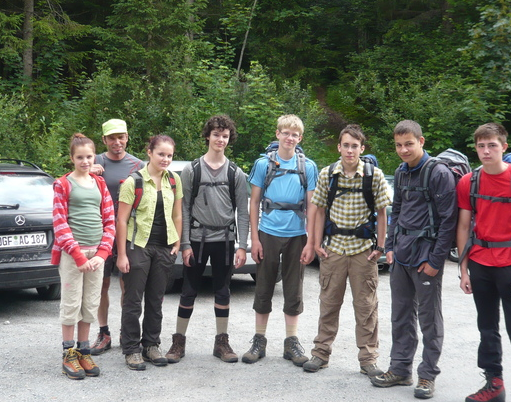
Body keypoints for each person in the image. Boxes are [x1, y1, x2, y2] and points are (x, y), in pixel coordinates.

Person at [456, 123, 511, 402]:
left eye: (492, 145)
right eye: (481, 146)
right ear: (475, 148)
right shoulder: (468, 182)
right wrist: (463, 268)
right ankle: (494, 384)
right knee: (487, 327)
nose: (486, 151)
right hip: (481, 264)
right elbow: (463, 226)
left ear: (503, 147)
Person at [371, 120, 457, 399]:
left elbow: (448, 221)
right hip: (402, 256)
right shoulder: (400, 171)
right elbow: (397, 211)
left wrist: (435, 260)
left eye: (409, 143)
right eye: (398, 145)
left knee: (430, 319)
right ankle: (400, 369)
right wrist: (391, 247)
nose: (403, 149)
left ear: (421, 141)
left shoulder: (438, 173)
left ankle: (427, 376)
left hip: (426, 258)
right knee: (401, 315)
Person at [303, 125, 391, 377]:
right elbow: (318, 209)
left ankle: (368, 359)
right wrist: (317, 243)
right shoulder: (327, 174)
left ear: (362, 149)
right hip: (333, 250)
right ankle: (320, 353)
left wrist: (381, 247)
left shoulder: (374, 175)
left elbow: (382, 212)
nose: (350, 150)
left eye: (355, 146)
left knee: (366, 307)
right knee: (329, 303)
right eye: (345, 145)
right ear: (339, 147)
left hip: (363, 251)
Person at [164, 115, 250, 364]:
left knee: (223, 291)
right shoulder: (192, 169)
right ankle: (178, 341)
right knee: (188, 291)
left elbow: (242, 212)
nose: (220, 140)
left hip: (224, 239)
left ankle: (221, 342)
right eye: (216, 134)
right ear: (207, 136)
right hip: (198, 239)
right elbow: (184, 208)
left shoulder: (235, 172)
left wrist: (242, 245)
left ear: (229, 139)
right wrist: (186, 244)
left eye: (224, 136)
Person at [242, 114, 318, 367]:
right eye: (285, 133)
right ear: (277, 134)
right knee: (263, 285)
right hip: (268, 232)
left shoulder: (308, 167)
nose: (289, 138)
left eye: (294, 134)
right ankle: (259, 340)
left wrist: (310, 242)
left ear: (300, 138)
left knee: (294, 288)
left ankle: (291, 342)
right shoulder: (263, 164)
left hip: (297, 235)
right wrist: (255, 238)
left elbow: (312, 206)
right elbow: (253, 202)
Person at [51, 133, 115, 380]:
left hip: (96, 255)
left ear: (94, 157)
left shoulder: (100, 184)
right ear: (72, 158)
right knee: (71, 304)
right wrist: (78, 256)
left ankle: (83, 350)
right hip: (72, 254)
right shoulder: (63, 184)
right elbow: (59, 223)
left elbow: (109, 220)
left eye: (89, 156)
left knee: (90, 303)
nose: (85, 161)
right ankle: (69, 354)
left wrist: (102, 253)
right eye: (80, 157)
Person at [116, 135, 183, 371]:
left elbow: (177, 214)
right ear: (149, 153)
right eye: (161, 154)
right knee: (133, 301)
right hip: (138, 247)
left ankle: (151, 345)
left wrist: (177, 242)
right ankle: (132, 349)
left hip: (164, 249)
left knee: (156, 300)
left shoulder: (174, 180)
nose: (165, 159)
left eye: (169, 155)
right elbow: (121, 220)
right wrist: (122, 255)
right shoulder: (133, 182)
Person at [89, 118, 144, 355]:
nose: (117, 142)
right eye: (112, 138)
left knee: (127, 285)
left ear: (127, 137)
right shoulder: (94, 161)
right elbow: (70, 184)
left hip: (128, 234)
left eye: (121, 137)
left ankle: (126, 331)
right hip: (100, 234)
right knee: (100, 285)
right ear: (104, 140)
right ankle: (103, 332)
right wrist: (86, 171)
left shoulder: (138, 165)